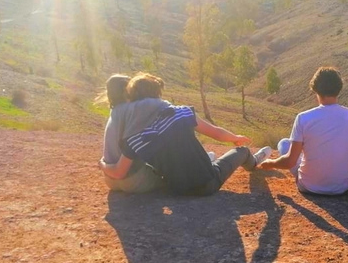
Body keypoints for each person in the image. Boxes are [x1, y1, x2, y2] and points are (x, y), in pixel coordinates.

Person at [100, 74, 272, 196]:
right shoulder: (181, 113)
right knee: (241, 151)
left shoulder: (136, 138)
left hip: (176, 189)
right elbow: (217, 134)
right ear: (158, 93)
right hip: (208, 182)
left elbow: (119, 171)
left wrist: (102, 164)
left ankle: (210, 159)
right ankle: (254, 161)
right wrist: (235, 138)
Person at [259, 67, 348, 195]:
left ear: (315, 89)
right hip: (342, 188)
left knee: (284, 143)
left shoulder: (304, 118)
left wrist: (271, 163)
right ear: (339, 89)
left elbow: (290, 162)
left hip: (309, 186)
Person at [99, 73, 171, 193]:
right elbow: (166, 106)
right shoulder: (136, 107)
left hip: (110, 180)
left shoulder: (114, 111)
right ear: (126, 90)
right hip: (135, 180)